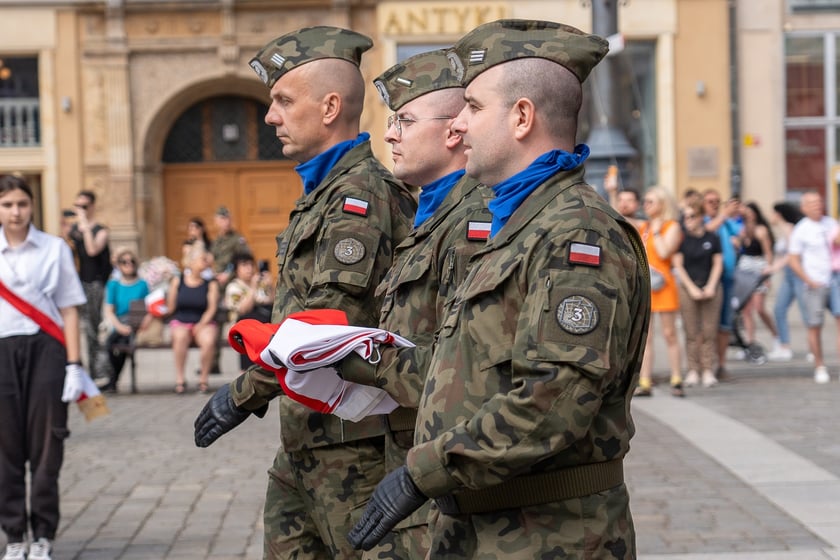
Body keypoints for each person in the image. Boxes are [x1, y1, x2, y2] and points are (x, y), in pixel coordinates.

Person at [347, 19, 650, 558]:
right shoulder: (519, 226)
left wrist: (424, 472)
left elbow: (554, 402)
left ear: (522, 117)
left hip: (548, 535)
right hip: (481, 525)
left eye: (473, 107)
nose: (458, 125)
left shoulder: (577, 232)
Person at [193, 26, 416, 559]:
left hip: (352, 449)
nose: (270, 116)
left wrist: (243, 394)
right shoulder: (323, 194)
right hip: (305, 441)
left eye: (283, 101)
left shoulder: (359, 197)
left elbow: (326, 324)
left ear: (331, 106)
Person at [0, 174, 88, 560]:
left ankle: (43, 535)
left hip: (47, 352)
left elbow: (69, 309)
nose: (15, 212)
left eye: (21, 203)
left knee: (46, 446)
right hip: (2, 351)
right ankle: (15, 533)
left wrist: (73, 364)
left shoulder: (54, 248)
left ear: (32, 205)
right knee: (5, 447)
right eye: (7, 205)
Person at [635, 186, 685, 396]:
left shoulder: (671, 226)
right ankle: (644, 379)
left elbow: (665, 252)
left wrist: (656, 230)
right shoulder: (643, 226)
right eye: (645, 201)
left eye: (651, 201)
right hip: (647, 284)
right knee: (646, 337)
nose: (646, 205)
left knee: (669, 333)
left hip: (664, 285)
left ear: (662, 204)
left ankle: (676, 377)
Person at [787, 191, 840, 383]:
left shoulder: (830, 223)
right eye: (812, 203)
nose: (818, 205)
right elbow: (793, 260)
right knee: (815, 325)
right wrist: (807, 280)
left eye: (819, 202)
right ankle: (819, 365)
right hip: (814, 282)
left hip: (834, 279)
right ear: (804, 207)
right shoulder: (801, 229)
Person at [672, 200, 723, 388]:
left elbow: (718, 263)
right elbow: (678, 264)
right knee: (691, 331)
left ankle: (708, 369)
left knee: (709, 331)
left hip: (711, 287)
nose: (688, 220)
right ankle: (693, 369)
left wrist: (711, 286)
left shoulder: (712, 238)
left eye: (692, 216)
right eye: (685, 217)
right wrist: (691, 288)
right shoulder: (682, 239)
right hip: (688, 288)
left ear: (701, 217)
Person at [67, 190, 111, 379]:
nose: (81, 210)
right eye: (78, 206)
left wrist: (84, 224)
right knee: (77, 327)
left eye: (84, 206)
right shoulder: (74, 230)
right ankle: (81, 368)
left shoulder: (100, 230)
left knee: (94, 328)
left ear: (92, 207)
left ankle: (97, 370)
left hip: (96, 284)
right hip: (78, 283)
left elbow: (92, 250)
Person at [702, 188, 742, 380]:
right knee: (707, 324)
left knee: (725, 324)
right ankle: (705, 365)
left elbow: (744, 236)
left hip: (728, 277)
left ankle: (722, 364)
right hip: (708, 277)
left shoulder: (726, 222)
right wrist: (725, 215)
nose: (715, 204)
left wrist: (746, 216)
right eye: (710, 201)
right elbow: (706, 232)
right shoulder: (703, 220)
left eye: (718, 201)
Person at [166, 250, 220, 394]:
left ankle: (203, 379)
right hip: (181, 321)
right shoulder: (179, 280)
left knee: (208, 340)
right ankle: (180, 379)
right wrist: (169, 287)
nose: (206, 262)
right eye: (202, 259)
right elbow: (171, 307)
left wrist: (201, 325)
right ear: (191, 262)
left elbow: (212, 308)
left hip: (203, 322)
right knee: (180, 337)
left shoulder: (211, 283)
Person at [101, 247, 151, 393]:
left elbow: (149, 307)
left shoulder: (142, 285)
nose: (128, 265)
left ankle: (112, 382)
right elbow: (109, 310)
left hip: (136, 322)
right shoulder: (114, 285)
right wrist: (119, 326)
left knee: (124, 343)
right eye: (124, 262)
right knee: (111, 343)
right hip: (119, 322)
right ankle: (113, 380)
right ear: (119, 265)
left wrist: (143, 322)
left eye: (132, 261)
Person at [736, 201, 778, 347]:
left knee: (759, 308)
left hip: (759, 266)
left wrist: (768, 274)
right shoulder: (741, 230)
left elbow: (768, 253)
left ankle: (775, 335)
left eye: (750, 213)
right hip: (745, 268)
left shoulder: (761, 230)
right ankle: (750, 342)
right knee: (746, 310)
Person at [767, 201, 805, 361]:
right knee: (779, 309)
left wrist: (773, 268)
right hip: (788, 276)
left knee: (806, 312)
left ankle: (813, 348)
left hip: (797, 274)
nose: (771, 216)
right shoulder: (784, 230)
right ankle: (784, 346)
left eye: (773, 213)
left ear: (779, 214)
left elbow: (791, 255)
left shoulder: (790, 229)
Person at [224, 253, 274, 373]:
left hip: (261, 323)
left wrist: (271, 286)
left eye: (251, 265)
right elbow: (243, 310)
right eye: (244, 265)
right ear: (236, 270)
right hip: (242, 327)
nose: (249, 269)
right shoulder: (233, 287)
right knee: (247, 329)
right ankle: (246, 370)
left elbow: (272, 303)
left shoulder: (260, 283)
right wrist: (252, 287)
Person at [209, 206, 249, 287]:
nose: (226, 222)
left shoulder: (237, 240)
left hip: (232, 281)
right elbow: (212, 259)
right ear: (216, 221)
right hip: (217, 280)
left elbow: (245, 260)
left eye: (228, 218)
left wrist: (228, 274)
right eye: (223, 219)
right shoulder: (216, 241)